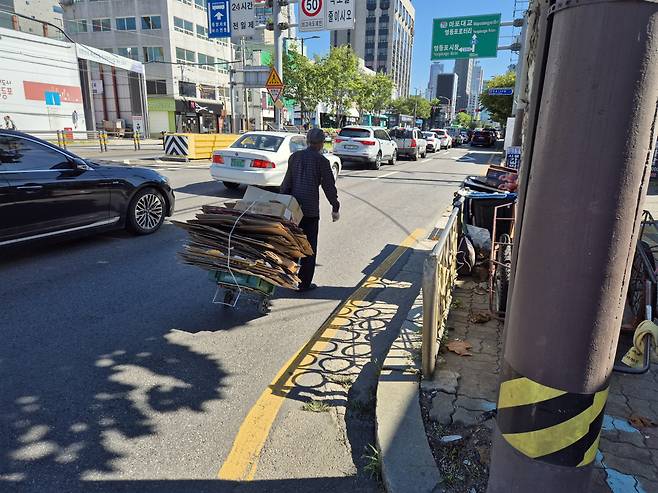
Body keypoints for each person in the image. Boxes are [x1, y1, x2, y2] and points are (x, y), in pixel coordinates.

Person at [281, 128, 340, 292]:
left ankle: (287, 277)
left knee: (292, 244)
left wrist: (282, 203)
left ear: (307, 141)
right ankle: (304, 283)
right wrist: (335, 206)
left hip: (293, 209)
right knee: (308, 248)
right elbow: (329, 186)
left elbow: (286, 183)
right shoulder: (321, 161)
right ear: (321, 144)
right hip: (310, 212)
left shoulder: (295, 157)